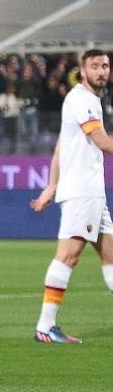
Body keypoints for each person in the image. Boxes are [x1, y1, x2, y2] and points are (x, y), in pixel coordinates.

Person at [29, 49, 112, 344]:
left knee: (110, 256)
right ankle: (45, 326)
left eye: (105, 66)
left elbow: (61, 147)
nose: (101, 71)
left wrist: (51, 186)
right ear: (82, 71)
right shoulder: (81, 99)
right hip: (83, 192)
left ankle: (45, 327)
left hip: (91, 192)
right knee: (68, 256)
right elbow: (102, 141)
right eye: (95, 66)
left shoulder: (86, 100)